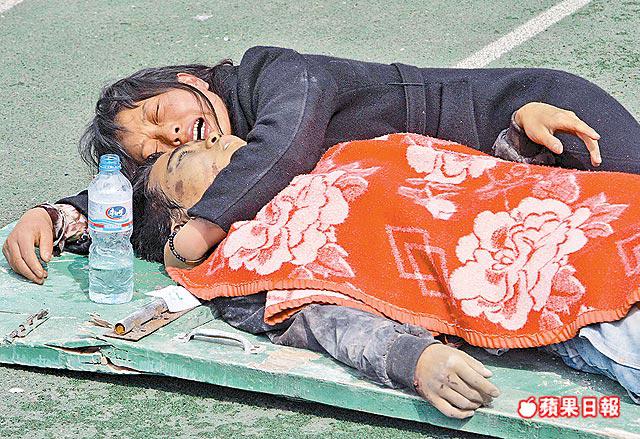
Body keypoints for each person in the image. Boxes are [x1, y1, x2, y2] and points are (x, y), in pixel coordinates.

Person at [4, 45, 640, 417]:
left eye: (157, 111)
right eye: (162, 153)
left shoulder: (278, 83)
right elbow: (320, 319)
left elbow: (281, 151)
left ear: (187, 80)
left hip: (536, 121)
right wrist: (56, 215)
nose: (173, 135)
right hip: (566, 278)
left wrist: (515, 131)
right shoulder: (254, 248)